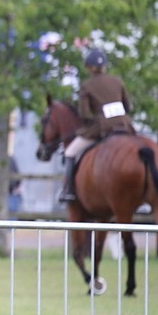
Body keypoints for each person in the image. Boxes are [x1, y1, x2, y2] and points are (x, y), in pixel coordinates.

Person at [59, 49, 134, 202]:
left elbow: (85, 115)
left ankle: (68, 191)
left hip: (102, 128)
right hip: (125, 126)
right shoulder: (117, 80)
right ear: (105, 67)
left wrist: (90, 123)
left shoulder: (87, 85)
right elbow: (128, 107)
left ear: (88, 67)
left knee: (70, 152)